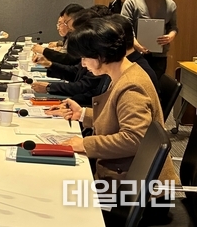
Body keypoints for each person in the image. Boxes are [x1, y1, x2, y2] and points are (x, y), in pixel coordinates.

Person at [46, 17, 178, 187]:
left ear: (100, 55)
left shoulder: (131, 86)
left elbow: (135, 139)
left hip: (132, 188)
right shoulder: (124, 73)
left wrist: (85, 144)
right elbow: (117, 117)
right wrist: (83, 114)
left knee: (59, 188)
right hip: (124, 174)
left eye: (85, 57)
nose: (83, 64)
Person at [121, 0, 178, 78]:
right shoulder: (132, 1)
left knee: (155, 83)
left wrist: (170, 36)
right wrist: (136, 44)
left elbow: (173, 27)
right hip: (134, 52)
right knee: (134, 82)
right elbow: (125, 26)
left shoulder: (170, 3)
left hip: (159, 55)